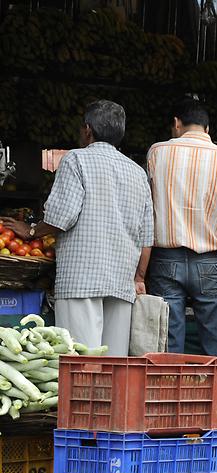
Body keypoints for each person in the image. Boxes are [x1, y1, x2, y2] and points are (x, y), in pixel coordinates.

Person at [2, 100, 153, 356]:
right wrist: (138, 278)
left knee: (80, 362)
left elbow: (62, 217)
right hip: (121, 282)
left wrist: (29, 232)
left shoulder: (76, 160)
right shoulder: (137, 172)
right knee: (113, 364)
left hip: (82, 279)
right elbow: (147, 235)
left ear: (87, 129)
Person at [145, 99, 217, 357]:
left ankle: (170, 397)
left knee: (169, 347)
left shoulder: (157, 152)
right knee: (215, 349)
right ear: (207, 129)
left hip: (166, 260)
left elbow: (147, 205)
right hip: (210, 262)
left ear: (177, 123)